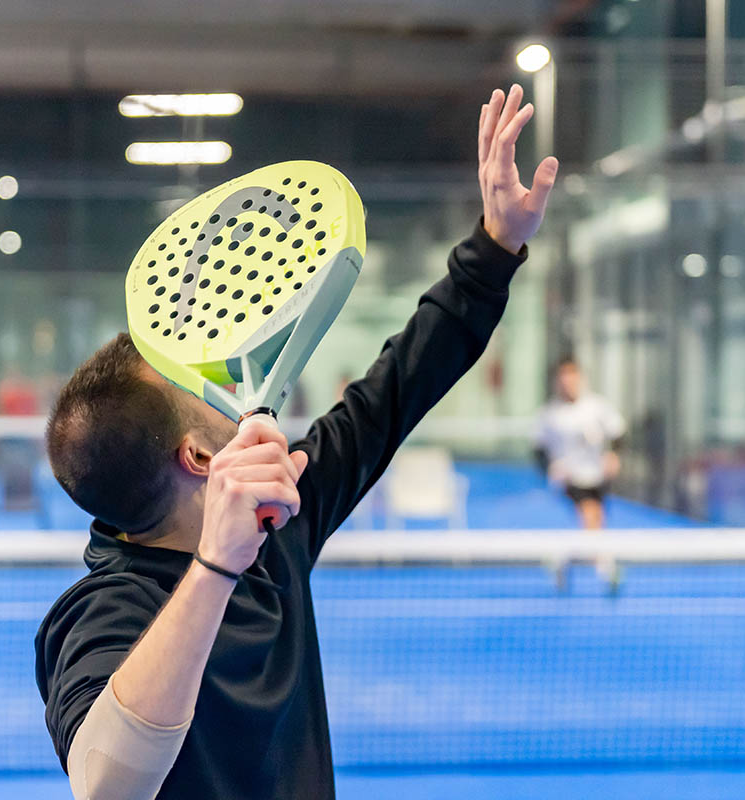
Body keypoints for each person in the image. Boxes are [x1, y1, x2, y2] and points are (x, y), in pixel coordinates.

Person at [35, 85, 558, 800]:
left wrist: (494, 246)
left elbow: (394, 392)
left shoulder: (277, 524)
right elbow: (106, 783)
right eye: (193, 379)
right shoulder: (100, 613)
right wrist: (216, 566)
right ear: (199, 458)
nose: (212, 366)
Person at [534, 356, 626, 591]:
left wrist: (613, 455)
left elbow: (618, 433)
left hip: (597, 476)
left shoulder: (597, 406)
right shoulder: (550, 414)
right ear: (557, 382)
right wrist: (551, 468)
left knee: (595, 523)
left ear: (580, 379)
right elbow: (538, 450)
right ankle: (606, 569)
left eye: (572, 378)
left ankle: (562, 560)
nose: (568, 383)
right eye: (563, 379)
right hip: (570, 479)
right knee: (591, 516)